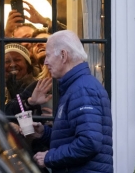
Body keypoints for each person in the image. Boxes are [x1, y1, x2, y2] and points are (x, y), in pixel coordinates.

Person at [29, 30, 113, 172]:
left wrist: (49, 157)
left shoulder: (82, 89)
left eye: (48, 55)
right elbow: (71, 139)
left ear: (63, 55)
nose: (45, 62)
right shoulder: (77, 87)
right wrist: (44, 133)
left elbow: (89, 143)